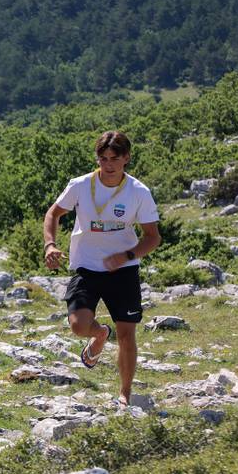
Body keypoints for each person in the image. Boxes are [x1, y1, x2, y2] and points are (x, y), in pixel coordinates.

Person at [43, 130, 161, 407]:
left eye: (114, 159)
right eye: (103, 158)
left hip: (124, 269)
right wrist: (50, 245)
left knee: (127, 335)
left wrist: (127, 255)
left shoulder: (138, 192)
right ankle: (98, 334)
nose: (108, 165)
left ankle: (125, 394)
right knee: (78, 325)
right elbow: (53, 213)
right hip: (87, 264)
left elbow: (153, 237)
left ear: (127, 158)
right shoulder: (81, 185)